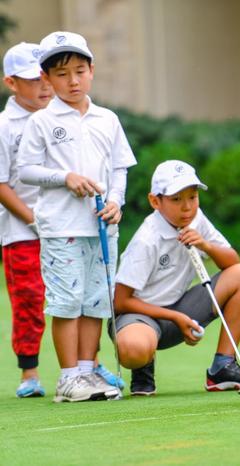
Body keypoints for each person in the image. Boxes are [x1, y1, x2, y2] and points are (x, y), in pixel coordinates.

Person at [17, 31, 136, 402]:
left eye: (79, 71)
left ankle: (87, 372)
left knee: (96, 300)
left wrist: (117, 201)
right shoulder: (40, 121)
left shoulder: (107, 119)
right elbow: (26, 170)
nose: (72, 81)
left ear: (92, 71)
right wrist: (64, 178)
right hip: (61, 226)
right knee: (68, 302)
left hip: (102, 226)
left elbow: (119, 168)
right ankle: (68, 378)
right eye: (62, 73)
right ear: (47, 79)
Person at [111, 160, 240, 396]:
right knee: (134, 350)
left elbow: (232, 262)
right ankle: (143, 368)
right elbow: (120, 302)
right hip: (139, 316)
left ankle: (222, 367)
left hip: (181, 309)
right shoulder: (146, 239)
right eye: (176, 199)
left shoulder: (196, 220)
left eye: (192, 197)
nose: (187, 207)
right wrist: (175, 317)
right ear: (155, 201)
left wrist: (206, 245)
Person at [0, 42, 53, 398]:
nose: (45, 85)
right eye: (34, 79)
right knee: (30, 299)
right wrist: (34, 219)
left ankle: (86, 365)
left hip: (67, 226)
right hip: (22, 229)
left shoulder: (59, 116)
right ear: (12, 83)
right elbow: (1, 184)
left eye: (46, 76)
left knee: (78, 296)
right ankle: (29, 374)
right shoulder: (4, 126)